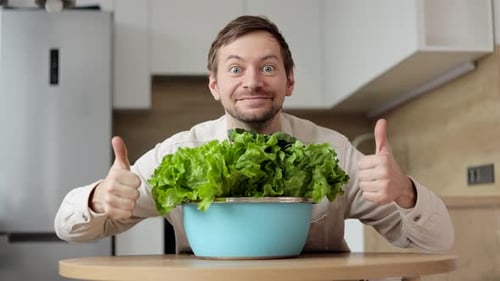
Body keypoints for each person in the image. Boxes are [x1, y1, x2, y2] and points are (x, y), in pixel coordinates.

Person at [54, 15, 454, 253]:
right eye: (234, 69)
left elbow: (437, 241)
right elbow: (68, 229)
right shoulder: (180, 154)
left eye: (267, 67)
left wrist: (405, 192)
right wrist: (97, 199)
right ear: (214, 86)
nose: (252, 81)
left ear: (289, 81)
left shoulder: (332, 151)